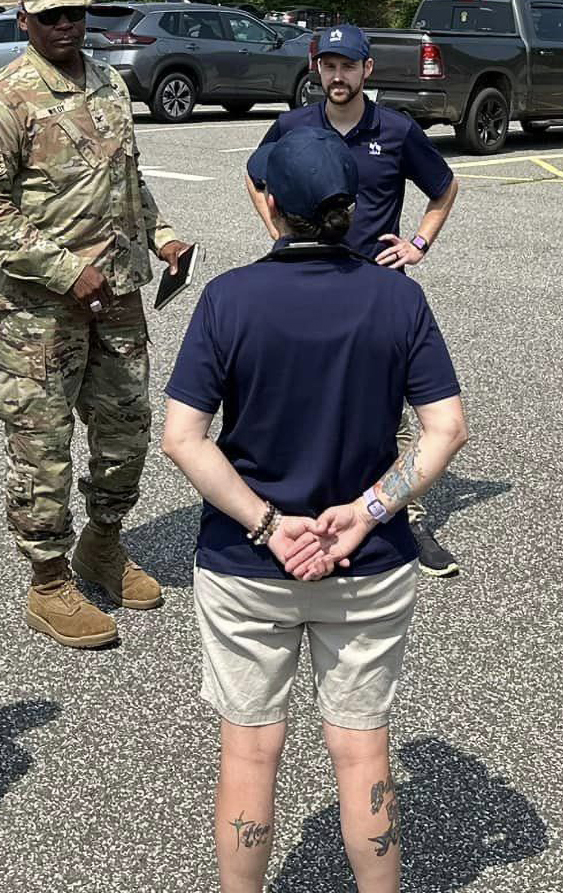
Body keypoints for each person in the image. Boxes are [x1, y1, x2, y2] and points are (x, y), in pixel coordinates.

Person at [164, 126, 469, 893]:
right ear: (353, 205)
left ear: (270, 205)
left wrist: (266, 524)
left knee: (250, 749)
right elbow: (446, 428)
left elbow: (182, 438)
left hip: (247, 563)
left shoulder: (229, 298)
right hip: (365, 561)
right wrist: (368, 510)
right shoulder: (396, 298)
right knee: (362, 749)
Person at [0, 0, 191, 649]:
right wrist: (64, 270)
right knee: (43, 448)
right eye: (51, 16)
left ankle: (103, 543)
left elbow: (130, 178)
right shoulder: (5, 98)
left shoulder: (109, 83)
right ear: (22, 21)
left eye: (75, 13)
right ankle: (49, 579)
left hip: (117, 296)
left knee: (125, 434)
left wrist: (164, 232)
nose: (66, 25)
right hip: (36, 313)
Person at [243, 23, 463, 576]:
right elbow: (253, 173)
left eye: (347, 66)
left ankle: (403, 516)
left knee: (391, 408)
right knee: (311, 395)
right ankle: (303, 505)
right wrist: (276, 231)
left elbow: (444, 186)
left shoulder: (395, 129)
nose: (336, 76)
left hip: (375, 288)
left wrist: (417, 243)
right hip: (305, 279)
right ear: (316, 70)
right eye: (327, 65)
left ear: (368, 70)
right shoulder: (292, 125)